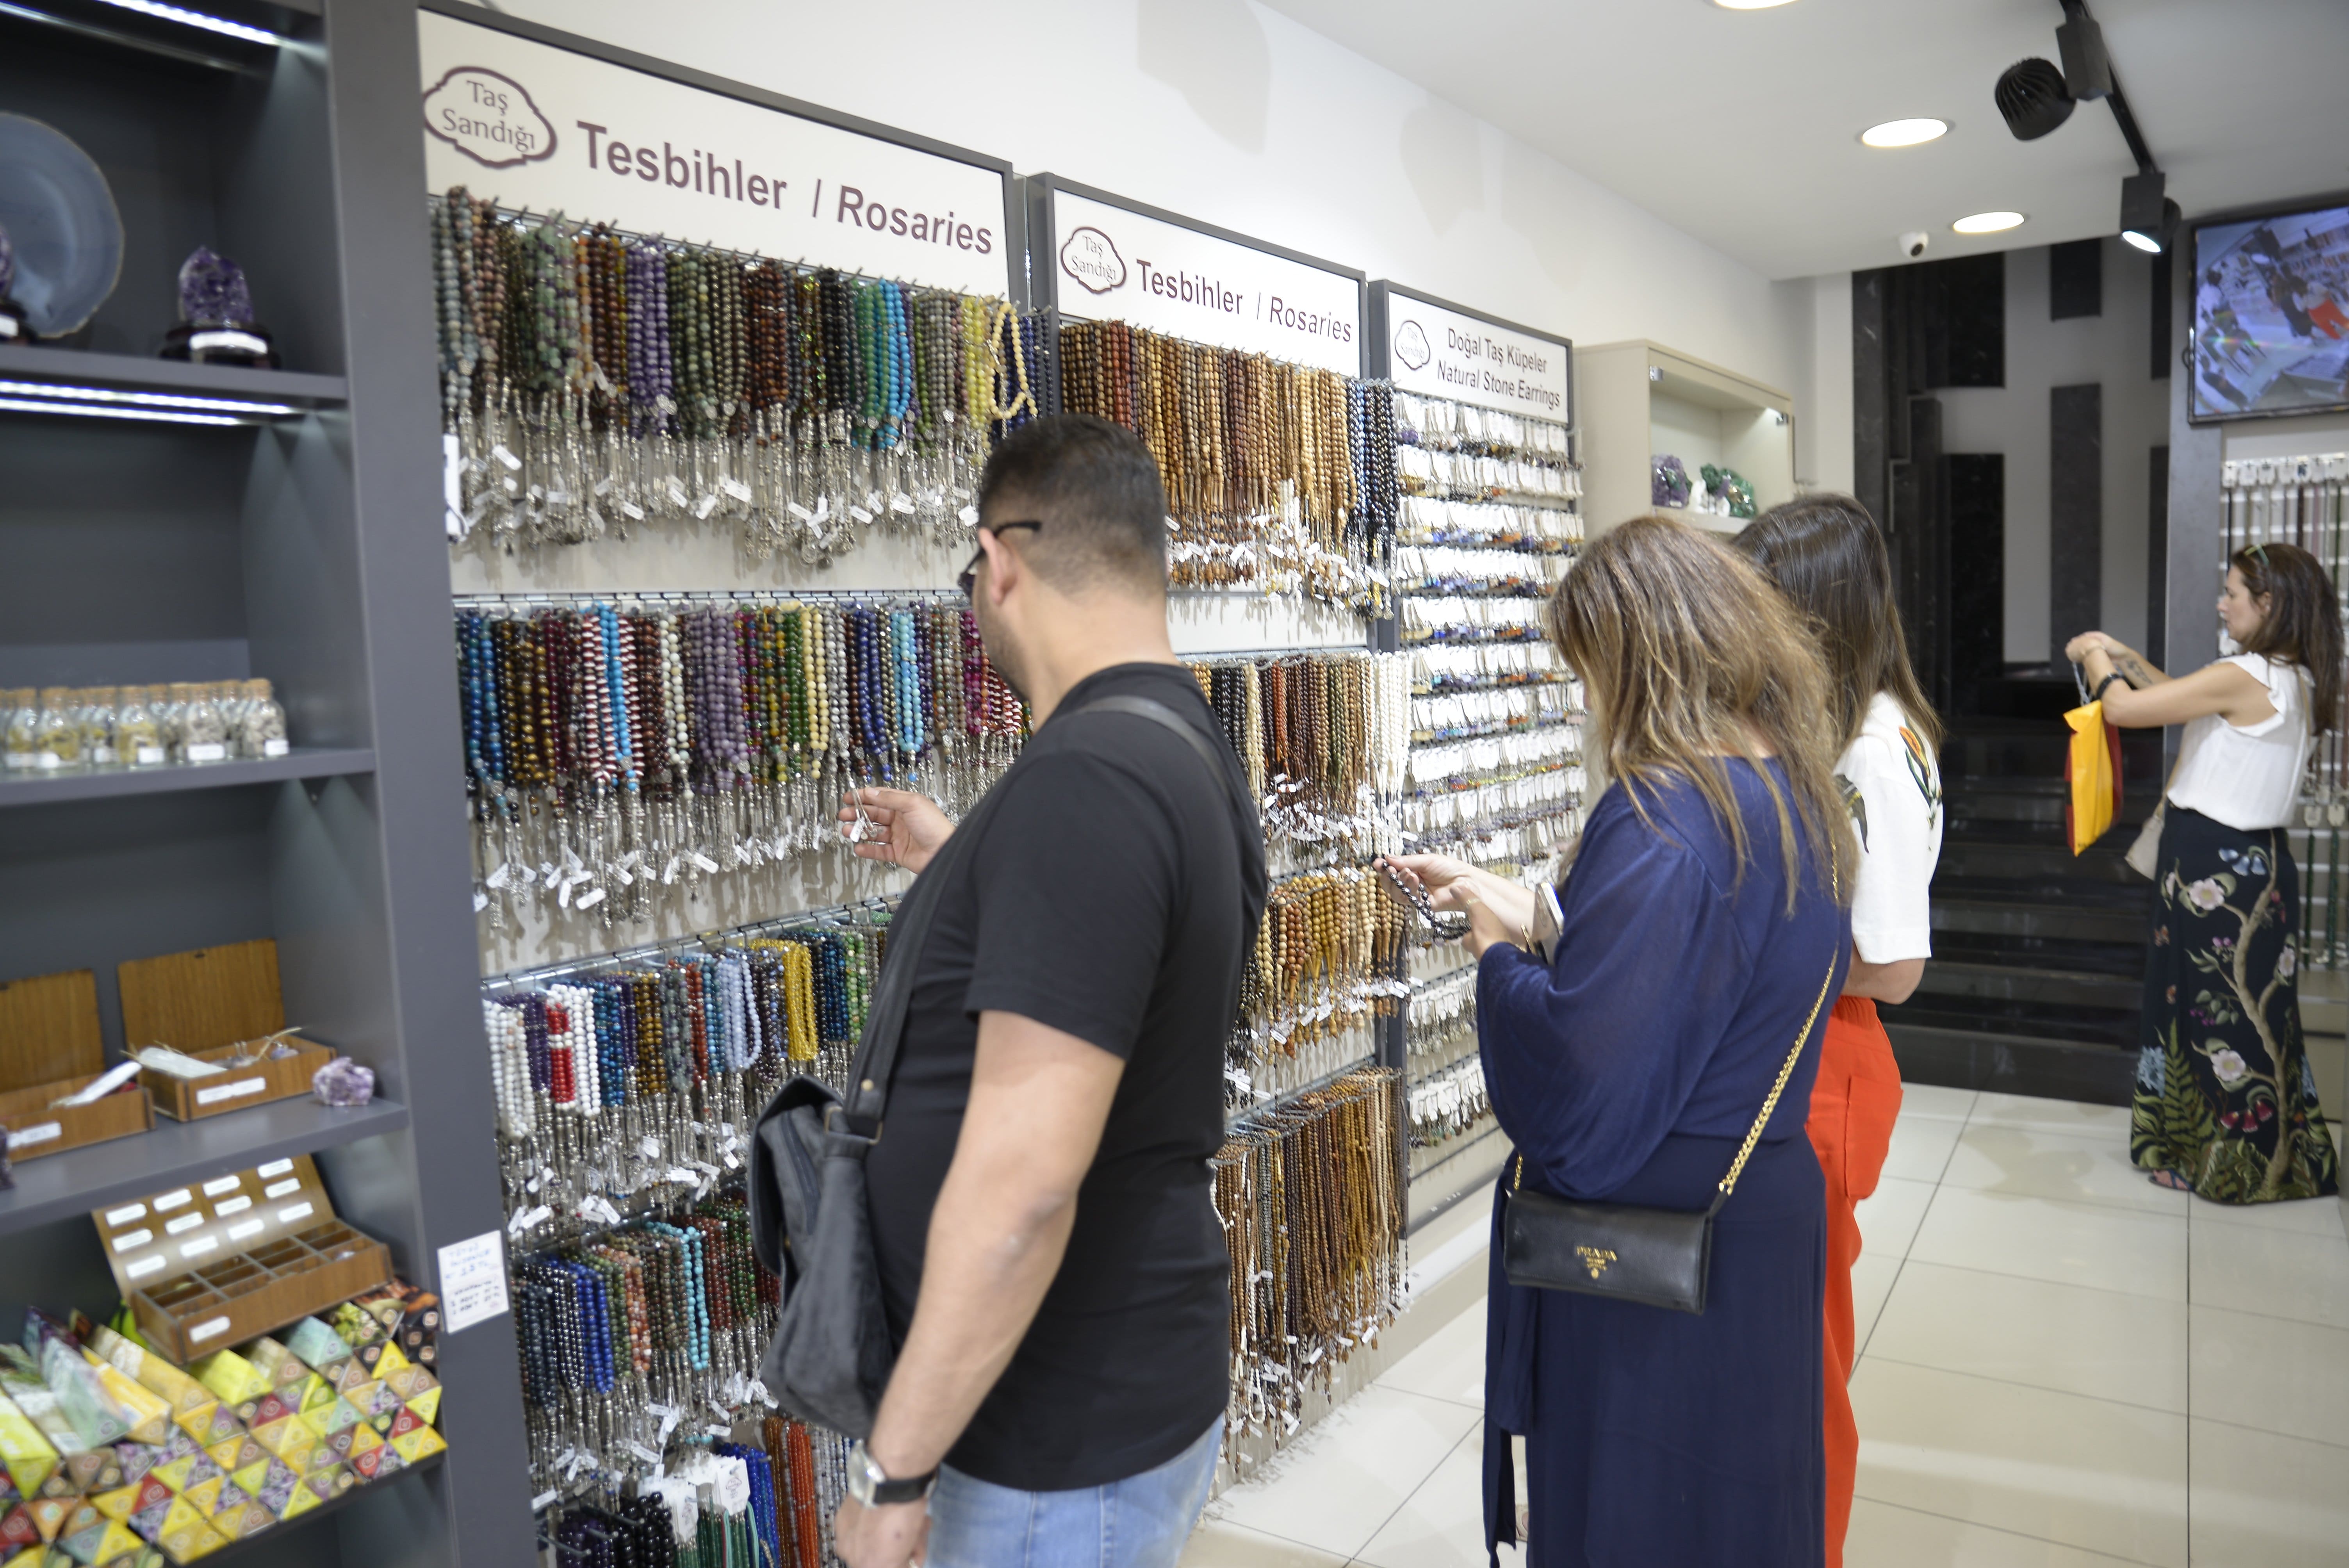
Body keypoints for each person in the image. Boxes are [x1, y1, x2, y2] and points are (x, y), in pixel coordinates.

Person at [823, 414, 1268, 1568]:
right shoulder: (1173, 740)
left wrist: (892, 1472)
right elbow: (1122, 945)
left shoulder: (1088, 779)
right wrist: (965, 863)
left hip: (1051, 1438)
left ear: (999, 561)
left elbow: (1020, 1188)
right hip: (1105, 1397)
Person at [1384, 515, 1855, 1567]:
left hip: (1653, 1242)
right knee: (1736, 1507)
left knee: (1638, 1509)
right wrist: (1528, 906)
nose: (1589, 700)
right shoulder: (1789, 791)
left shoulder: (1665, 814)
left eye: (1590, 668)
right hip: (1755, 1214)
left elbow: (1582, 1087)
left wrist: (1497, 957)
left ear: (1637, 657)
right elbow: (1709, 964)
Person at [1734, 495, 1943, 1568]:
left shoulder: (1870, 750)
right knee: (1781, 1341)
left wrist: (1745, 954)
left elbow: (1894, 966)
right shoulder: (1863, 726)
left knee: (1801, 1360)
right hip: (1810, 1052)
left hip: (1826, 1057)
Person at [2069, 542, 2342, 1202]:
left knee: (2215, 1018)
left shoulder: (2249, 674)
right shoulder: (2294, 675)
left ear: (2268, 604)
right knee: (2247, 1015)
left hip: (2216, 871)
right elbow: (2181, 697)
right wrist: (2127, 657)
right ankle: (2252, 1158)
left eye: (2233, 594)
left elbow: (2126, 710)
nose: (2222, 605)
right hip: (2253, 864)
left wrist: (2094, 656)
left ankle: (2228, 1166)